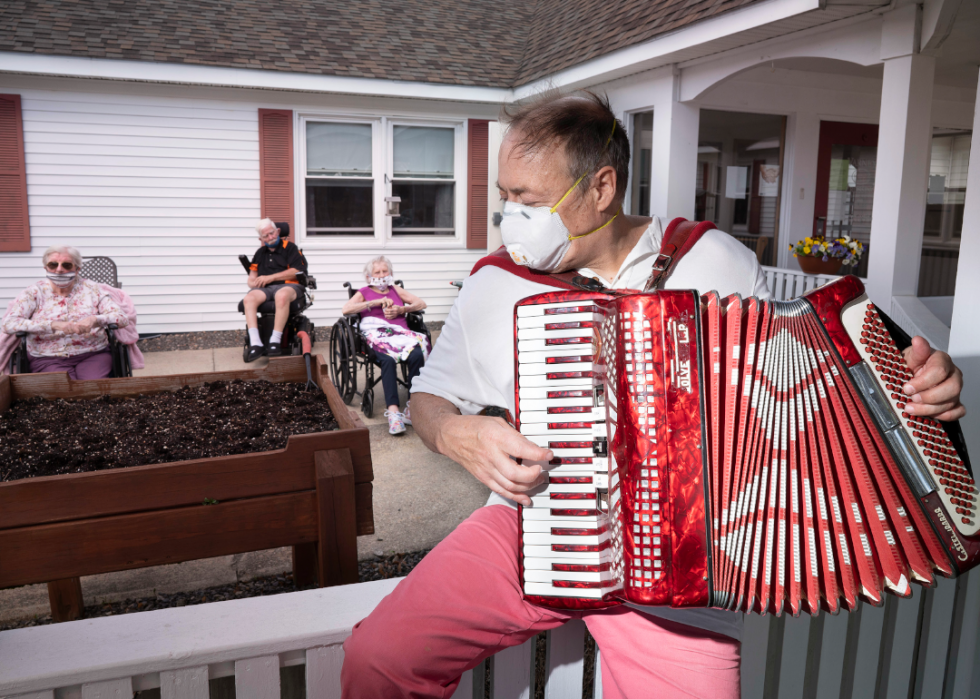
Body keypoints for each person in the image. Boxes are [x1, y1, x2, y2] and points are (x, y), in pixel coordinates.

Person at [339, 91, 967, 698]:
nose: (509, 218)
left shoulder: (714, 260)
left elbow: (803, 378)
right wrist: (456, 433)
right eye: (504, 197)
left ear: (602, 188)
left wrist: (915, 390)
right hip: (535, 523)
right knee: (379, 661)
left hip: (692, 564)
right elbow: (429, 399)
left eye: (526, 199)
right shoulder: (496, 285)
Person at [2, 246, 129, 380]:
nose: (59, 269)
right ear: (46, 268)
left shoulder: (92, 289)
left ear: (77, 269)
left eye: (67, 265)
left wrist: (95, 319)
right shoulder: (34, 292)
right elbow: (9, 324)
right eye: (53, 264)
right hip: (47, 357)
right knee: (65, 391)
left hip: (93, 353)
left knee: (93, 389)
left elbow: (122, 318)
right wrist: (53, 325)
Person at [341, 256, 429, 435]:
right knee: (387, 360)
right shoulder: (364, 291)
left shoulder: (395, 289)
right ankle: (394, 413)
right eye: (377, 272)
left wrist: (402, 309)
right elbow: (346, 309)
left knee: (418, 355)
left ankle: (413, 407)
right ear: (368, 276)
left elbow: (421, 303)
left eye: (384, 271)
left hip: (401, 334)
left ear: (390, 273)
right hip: (377, 336)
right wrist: (374, 303)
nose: (381, 275)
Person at [242, 218, 308, 362]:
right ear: (261, 238)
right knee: (249, 299)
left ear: (278, 231)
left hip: (290, 285)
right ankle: (256, 343)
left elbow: (297, 271)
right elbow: (251, 278)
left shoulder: (290, 248)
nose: (270, 238)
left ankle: (275, 341)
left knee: (281, 295)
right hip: (266, 289)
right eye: (266, 236)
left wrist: (269, 278)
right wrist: (254, 283)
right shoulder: (260, 253)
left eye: (272, 233)